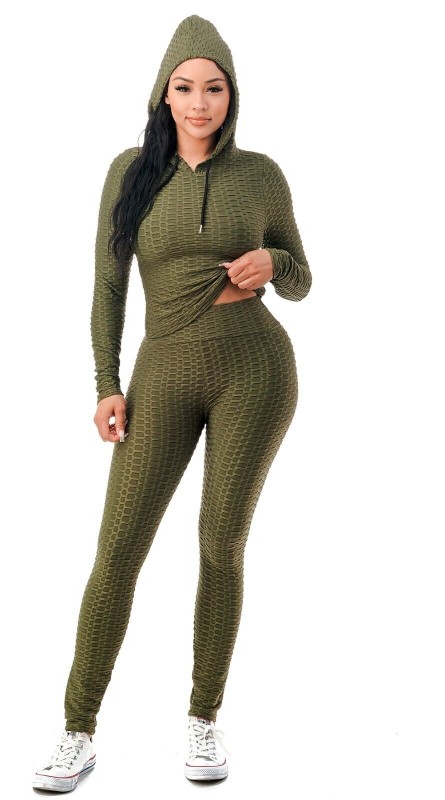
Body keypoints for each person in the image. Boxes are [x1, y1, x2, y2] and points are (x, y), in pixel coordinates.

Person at [32, 13, 311, 792]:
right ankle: (76, 731)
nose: (198, 103)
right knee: (118, 548)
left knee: (220, 542)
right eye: (184, 87)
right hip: (161, 372)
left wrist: (273, 259)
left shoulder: (260, 175)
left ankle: (203, 717)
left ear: (231, 95)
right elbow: (108, 286)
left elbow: (301, 279)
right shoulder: (131, 172)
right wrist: (106, 382)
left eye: (213, 88)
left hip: (255, 370)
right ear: (162, 94)